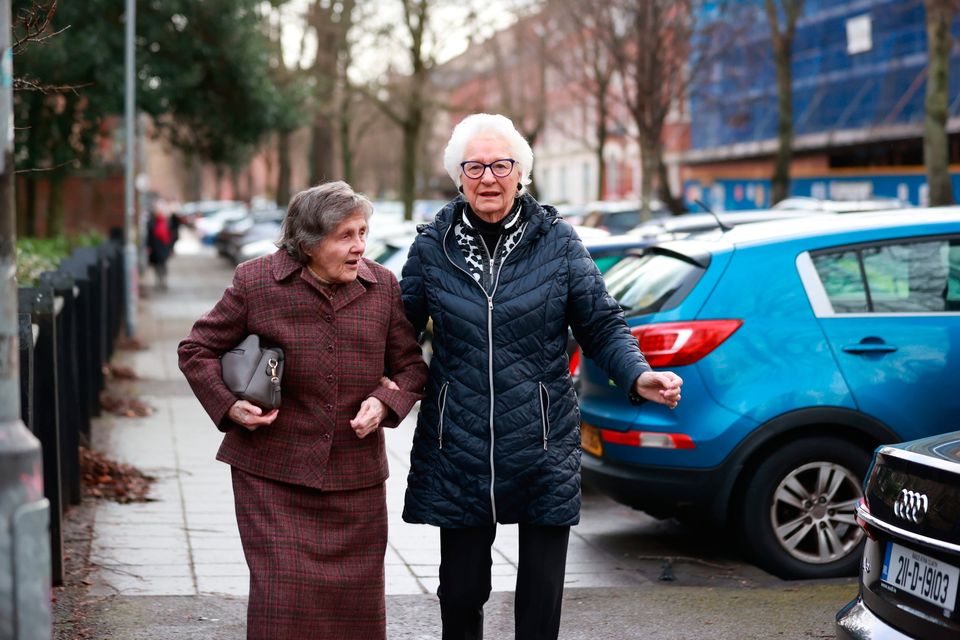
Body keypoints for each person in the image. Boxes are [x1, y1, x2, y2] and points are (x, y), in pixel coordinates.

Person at [399, 113, 683, 640]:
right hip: (457, 440)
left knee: (541, 594)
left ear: (521, 173)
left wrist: (637, 375)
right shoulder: (431, 248)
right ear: (458, 176)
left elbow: (601, 322)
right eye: (475, 166)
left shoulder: (557, 241)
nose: (489, 177)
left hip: (542, 438)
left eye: (501, 164)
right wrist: (376, 392)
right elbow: (398, 336)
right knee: (460, 592)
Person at [177, 181, 428, 640]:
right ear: (309, 242)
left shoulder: (382, 287)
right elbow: (197, 349)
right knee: (282, 605)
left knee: (356, 614)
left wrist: (385, 402)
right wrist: (231, 407)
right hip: (272, 475)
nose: (360, 247)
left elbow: (412, 368)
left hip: (356, 484)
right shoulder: (256, 282)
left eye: (362, 233)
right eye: (346, 236)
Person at [146, 199, 173, 290]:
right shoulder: (151, 222)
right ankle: (158, 281)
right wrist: (148, 247)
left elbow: (170, 236)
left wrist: (170, 248)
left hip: (164, 247)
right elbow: (149, 236)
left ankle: (163, 281)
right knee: (157, 265)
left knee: (163, 264)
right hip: (155, 247)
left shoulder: (167, 222)